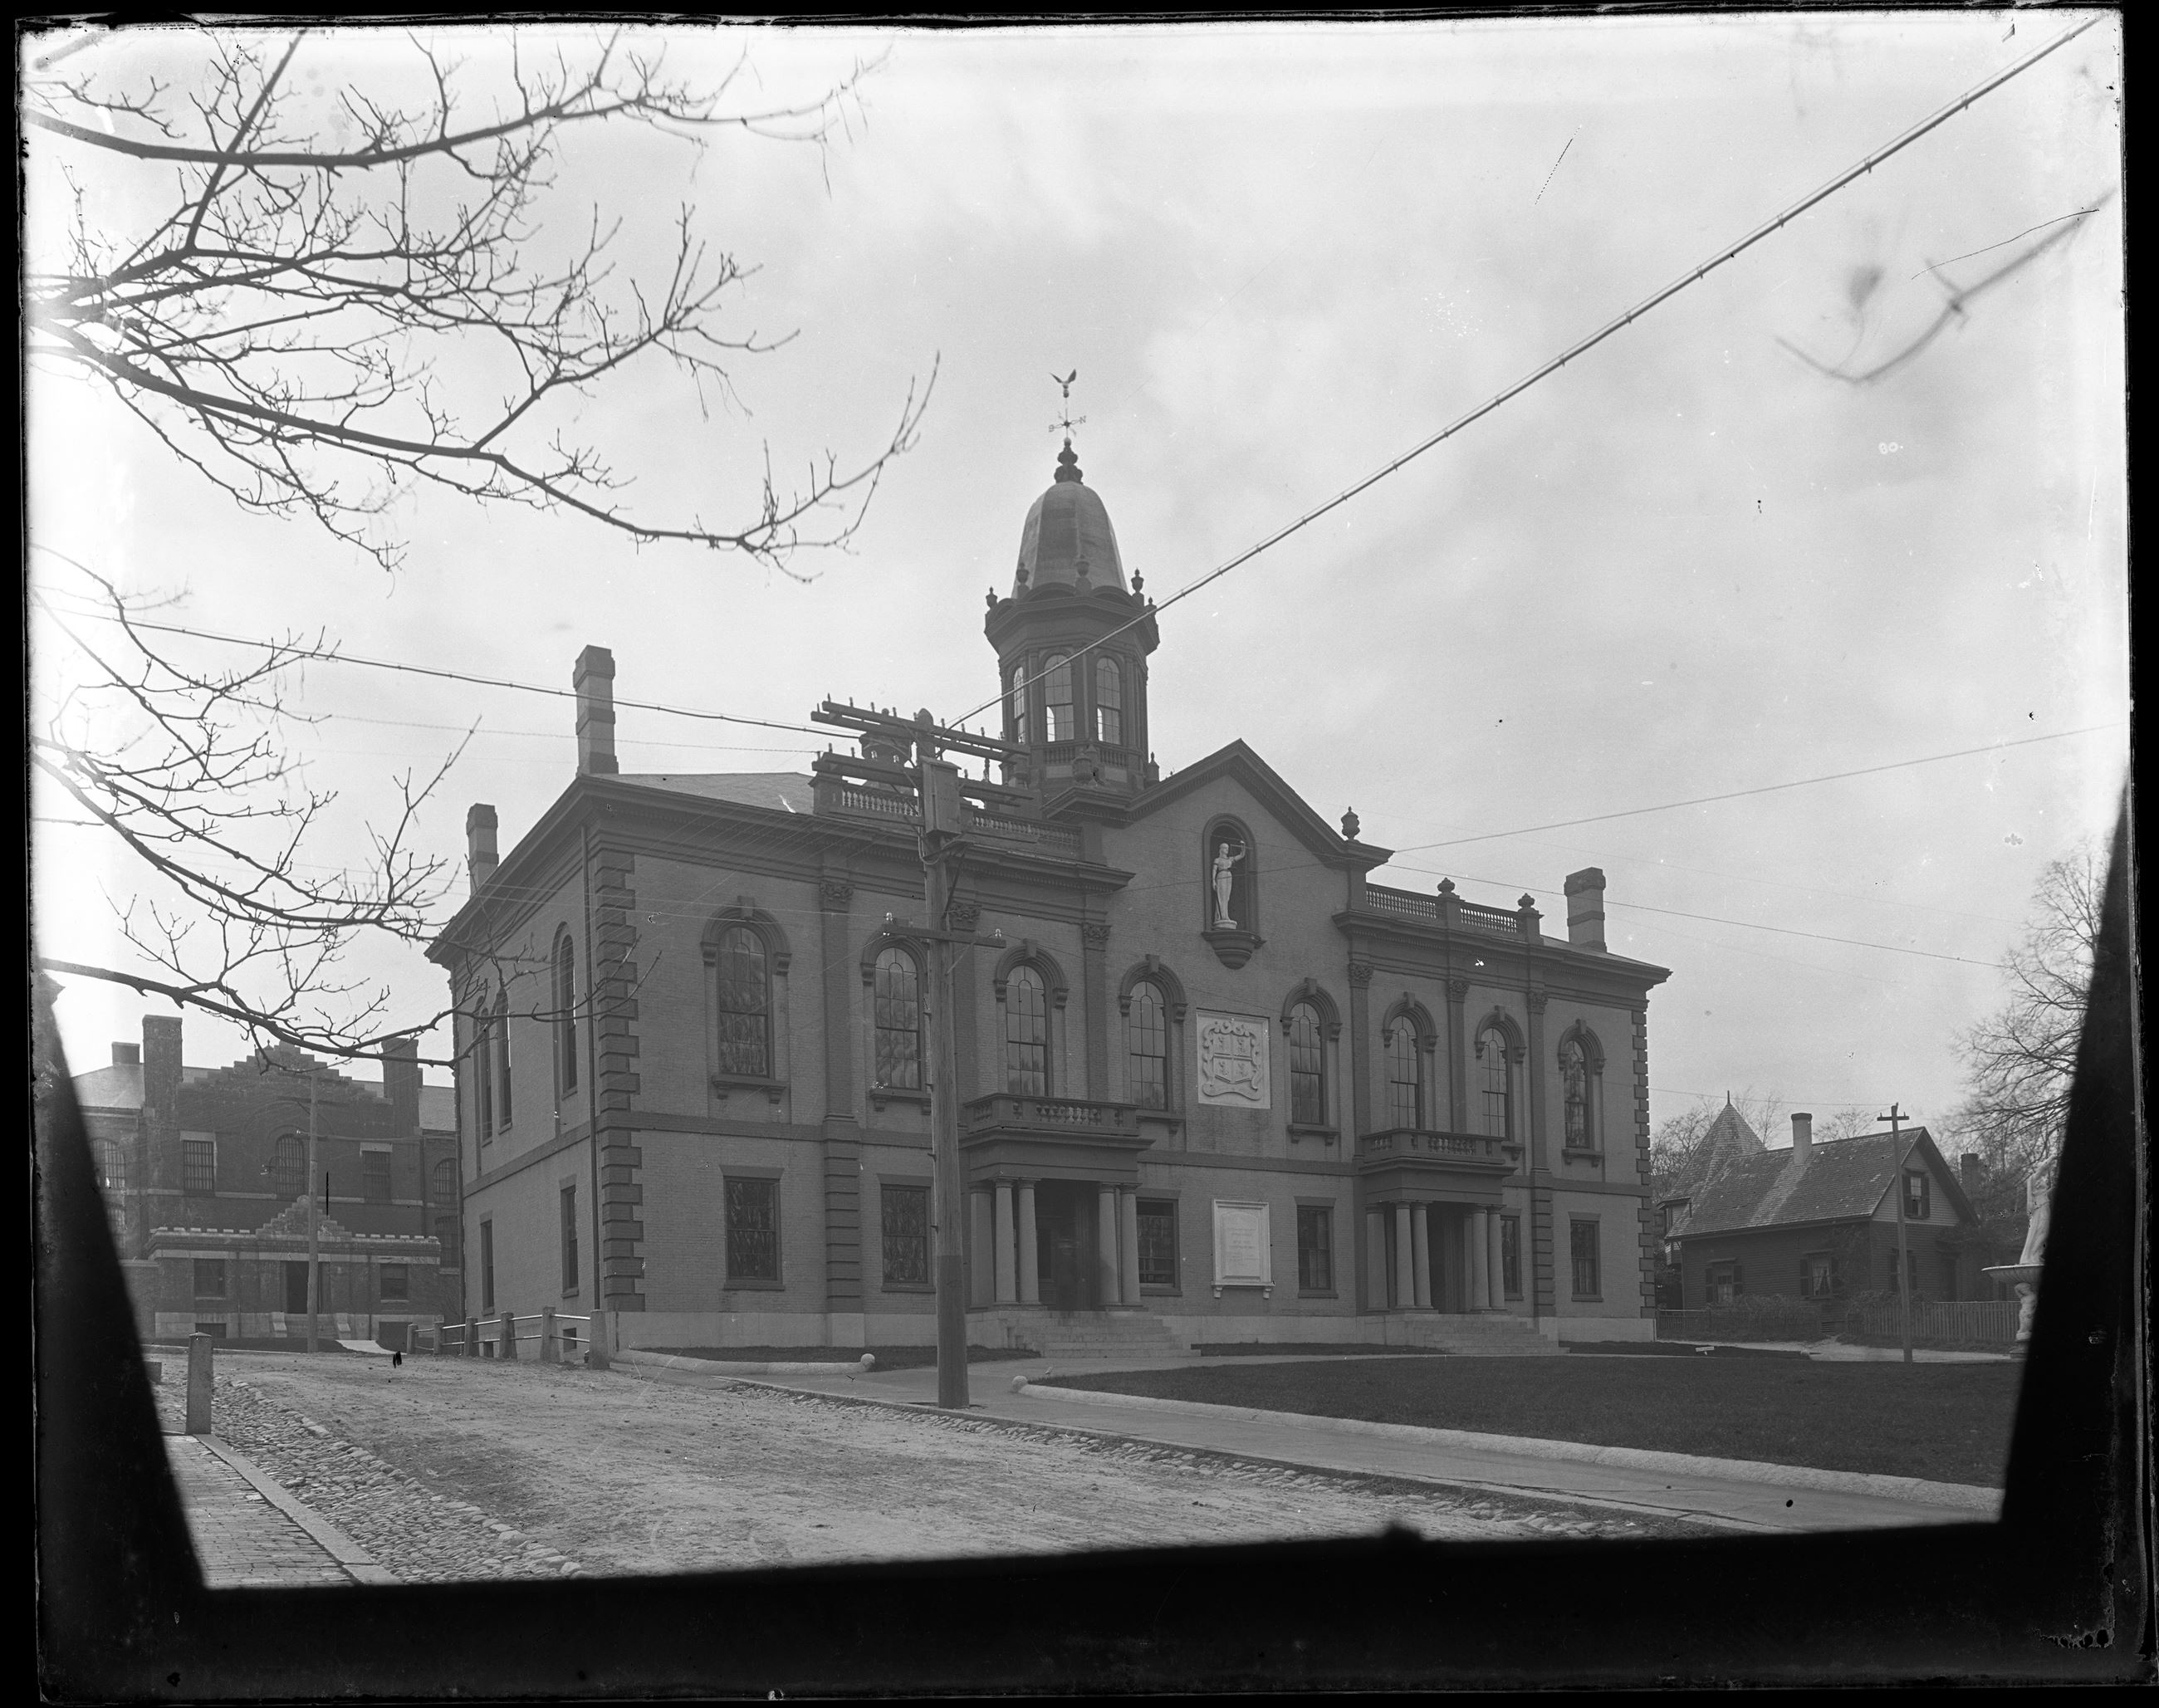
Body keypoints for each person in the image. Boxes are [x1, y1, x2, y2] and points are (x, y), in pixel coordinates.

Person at [1211, 839, 1248, 927]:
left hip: (1229, 876)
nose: (1227, 850)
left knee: (1227, 897)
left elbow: (1242, 855)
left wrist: (1243, 847)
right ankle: (1222, 916)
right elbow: (1214, 870)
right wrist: (1213, 881)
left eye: (1227, 848)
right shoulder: (1218, 859)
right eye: (1225, 848)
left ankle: (1226, 915)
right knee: (1222, 896)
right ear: (1221, 849)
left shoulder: (1230, 859)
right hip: (1221, 875)